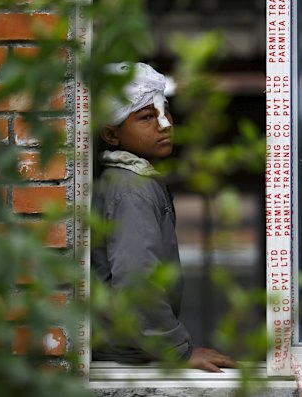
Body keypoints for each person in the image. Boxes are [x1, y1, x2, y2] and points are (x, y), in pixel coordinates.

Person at [91, 62, 235, 372]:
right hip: (123, 363)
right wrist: (177, 351)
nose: (165, 124)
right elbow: (136, 280)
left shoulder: (132, 181)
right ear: (111, 135)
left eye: (165, 112)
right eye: (146, 117)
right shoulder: (131, 188)